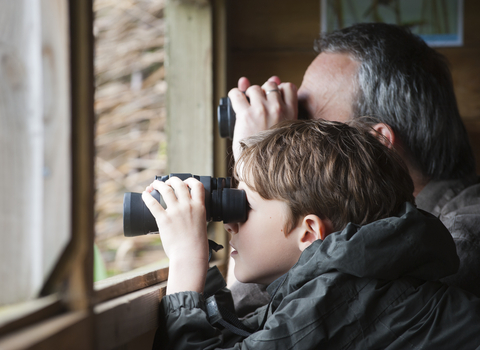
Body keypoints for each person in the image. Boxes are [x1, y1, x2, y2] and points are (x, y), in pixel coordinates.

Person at [144, 120, 480, 349]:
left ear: (309, 233)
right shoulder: (357, 280)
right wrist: (198, 260)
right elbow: (244, 337)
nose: (229, 223)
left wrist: (186, 260)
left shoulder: (341, 296)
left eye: (244, 208)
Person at [228, 23, 480, 307]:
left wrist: (259, 166)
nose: (294, 136)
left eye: (311, 120)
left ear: (378, 145)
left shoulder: (461, 238)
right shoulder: (370, 230)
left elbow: (244, 318)